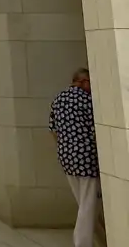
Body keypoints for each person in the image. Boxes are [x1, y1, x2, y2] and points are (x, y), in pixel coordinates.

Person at [49, 68, 103, 247]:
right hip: (86, 158)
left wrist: (67, 146)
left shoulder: (58, 99)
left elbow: (53, 130)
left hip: (66, 157)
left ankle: (97, 239)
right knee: (88, 205)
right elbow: (97, 129)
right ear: (81, 81)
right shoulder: (87, 100)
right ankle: (82, 243)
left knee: (85, 204)